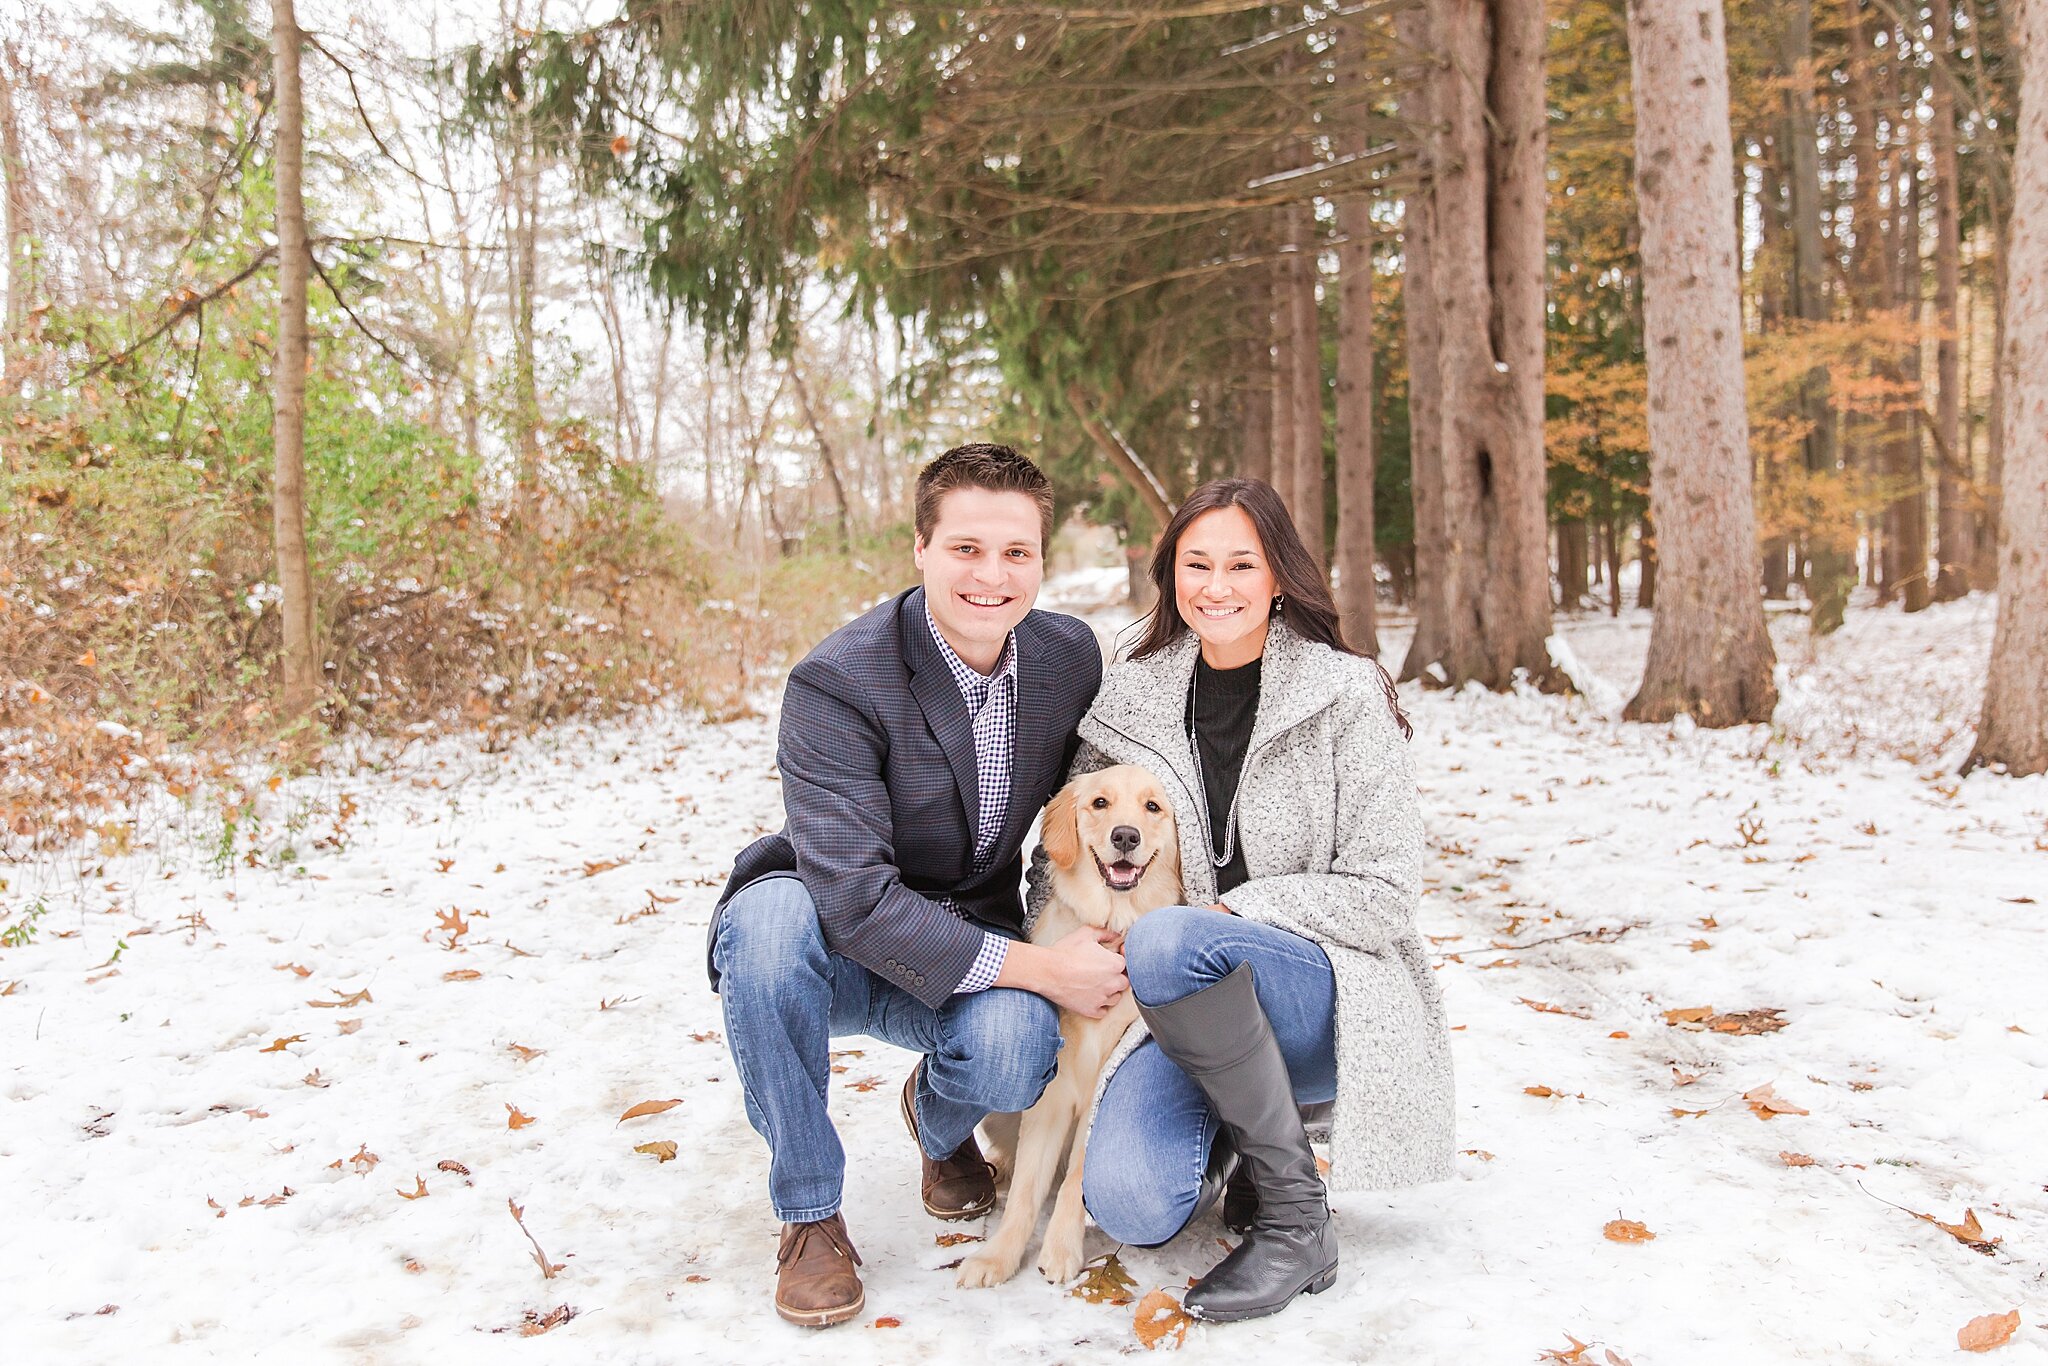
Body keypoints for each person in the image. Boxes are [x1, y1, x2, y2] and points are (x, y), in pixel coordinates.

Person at [705, 443, 1123, 1328]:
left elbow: (1091, 807)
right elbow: (854, 899)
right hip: (826, 933)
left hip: (968, 922)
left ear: (1041, 561)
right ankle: (810, 1214)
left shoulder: (1066, 658)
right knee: (770, 926)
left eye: (1017, 553)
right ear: (921, 551)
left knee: (1016, 1054)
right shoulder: (837, 680)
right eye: (966, 548)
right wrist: (1045, 970)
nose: (992, 575)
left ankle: (937, 1124)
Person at [1027, 476, 1453, 1323]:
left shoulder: (1344, 694)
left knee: (1174, 941)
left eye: (1240, 565)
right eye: (1196, 564)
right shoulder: (1129, 695)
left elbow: (1387, 895)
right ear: (1170, 574)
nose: (1215, 587)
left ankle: (1297, 1219)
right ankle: (1243, 1133)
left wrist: (1233, 913)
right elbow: (1069, 843)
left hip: (1321, 993)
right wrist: (1067, 938)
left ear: (1279, 577)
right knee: (1133, 1206)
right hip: (1169, 1006)